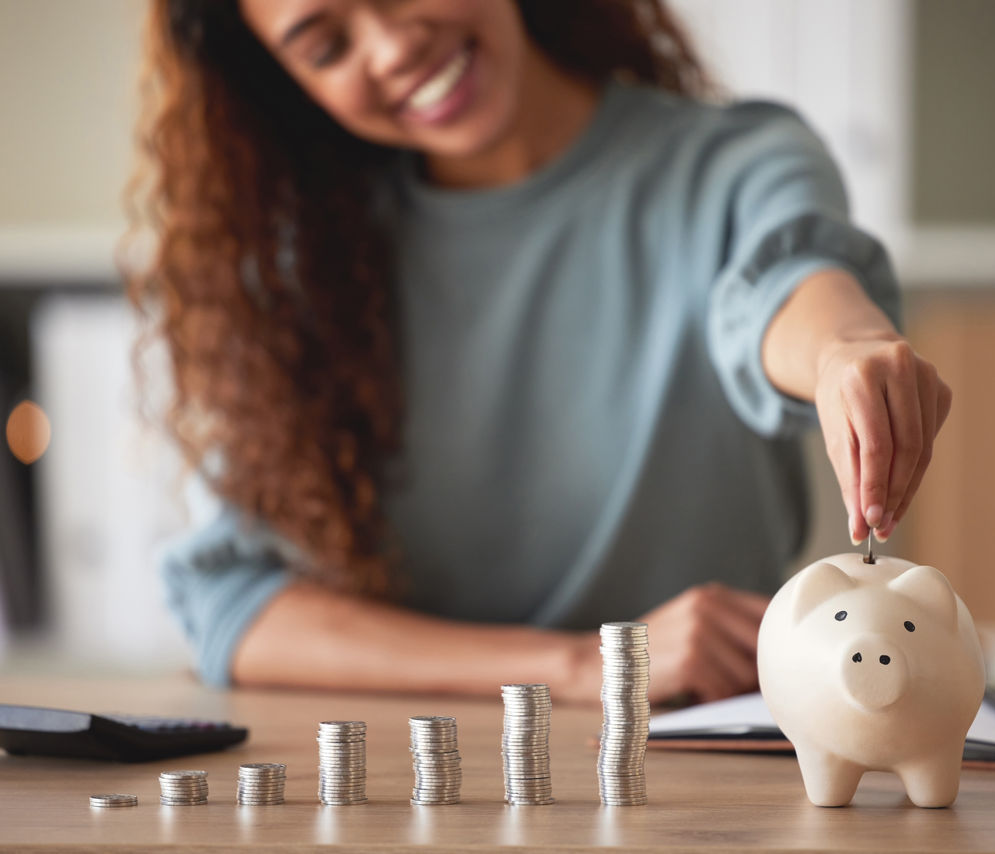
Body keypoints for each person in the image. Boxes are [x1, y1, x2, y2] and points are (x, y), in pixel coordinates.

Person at [130, 0, 951, 707]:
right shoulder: (298, 266)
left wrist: (847, 347)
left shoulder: (732, 165)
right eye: (326, 46)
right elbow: (233, 605)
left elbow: (786, 287)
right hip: (423, 785)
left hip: (702, 778)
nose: (389, 47)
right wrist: (579, 666)